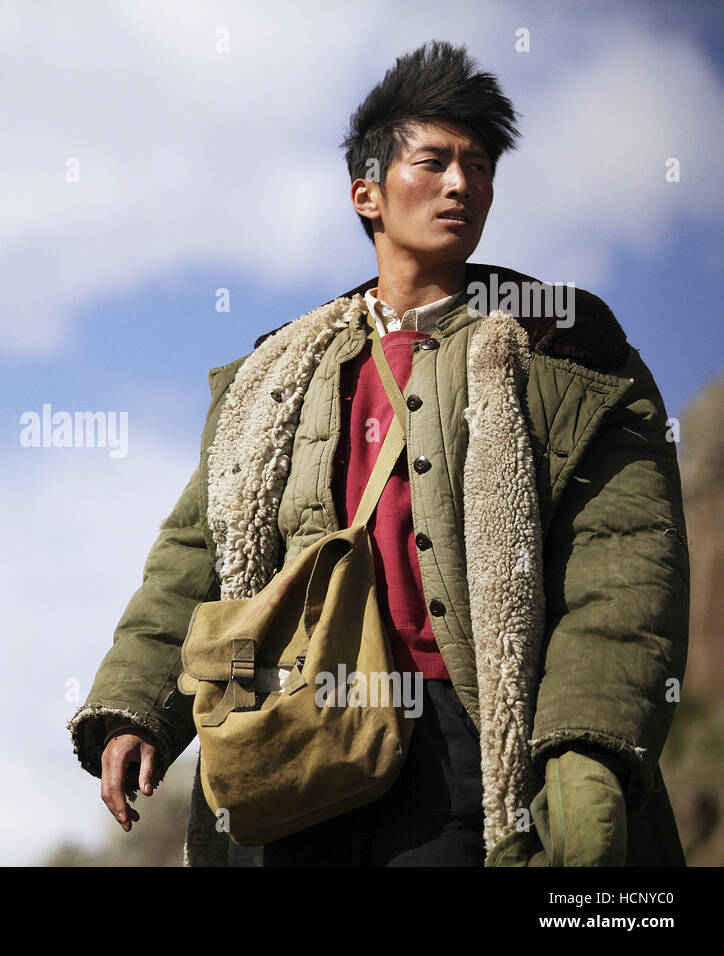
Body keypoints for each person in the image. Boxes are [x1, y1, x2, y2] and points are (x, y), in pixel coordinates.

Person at [66, 40, 689, 866]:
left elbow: (626, 569)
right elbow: (196, 555)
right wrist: (133, 708)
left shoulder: (568, 351)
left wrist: (587, 747)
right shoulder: (274, 373)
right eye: (434, 161)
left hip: (460, 757)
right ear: (367, 192)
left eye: (478, 167)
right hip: (285, 738)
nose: (462, 184)